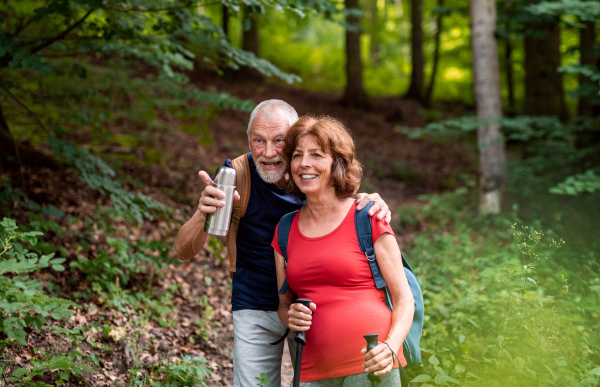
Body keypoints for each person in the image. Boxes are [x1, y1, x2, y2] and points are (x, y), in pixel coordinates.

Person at [175, 100, 393, 387]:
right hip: (253, 302)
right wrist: (204, 213)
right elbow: (183, 251)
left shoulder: (309, 172)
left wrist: (370, 202)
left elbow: (342, 204)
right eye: (258, 141)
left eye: (279, 141)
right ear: (248, 140)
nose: (267, 153)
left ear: (294, 139)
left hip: (312, 305)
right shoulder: (235, 177)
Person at [272, 115, 415, 386]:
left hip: (372, 365)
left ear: (337, 164)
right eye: (297, 155)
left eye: (316, 155)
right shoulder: (284, 229)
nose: (304, 163)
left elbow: (404, 299)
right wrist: (291, 317)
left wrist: (390, 348)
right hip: (312, 369)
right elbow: (284, 306)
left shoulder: (368, 216)